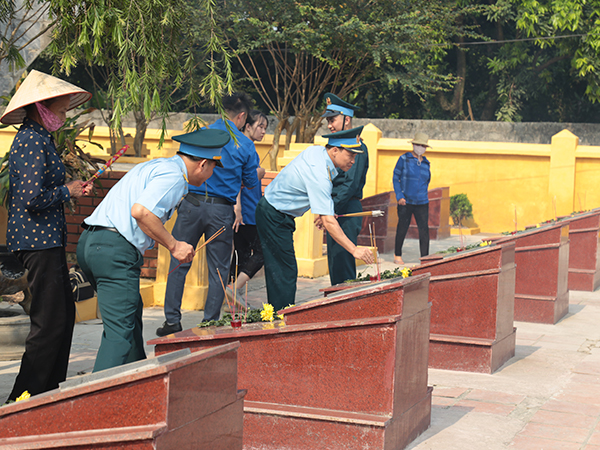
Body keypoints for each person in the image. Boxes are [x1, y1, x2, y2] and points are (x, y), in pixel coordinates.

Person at [77, 128, 230, 372]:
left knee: (130, 317)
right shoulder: (175, 177)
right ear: (202, 164)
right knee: (120, 333)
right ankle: (93, 401)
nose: (210, 176)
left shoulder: (157, 165)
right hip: (115, 250)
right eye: (212, 169)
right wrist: (174, 245)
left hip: (91, 242)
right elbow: (141, 212)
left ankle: (138, 382)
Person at [1, 70, 92, 402]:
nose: (64, 115)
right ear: (42, 107)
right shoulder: (30, 140)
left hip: (46, 240)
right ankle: (22, 399)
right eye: (62, 109)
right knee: (49, 323)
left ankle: (47, 396)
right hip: (36, 242)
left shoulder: (41, 139)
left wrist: (69, 189)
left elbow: (43, 191)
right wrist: (66, 190)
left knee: (63, 318)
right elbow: (30, 198)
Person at [157, 93, 259, 336]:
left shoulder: (201, 135)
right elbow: (252, 182)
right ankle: (210, 322)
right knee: (218, 269)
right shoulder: (244, 144)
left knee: (178, 262)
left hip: (191, 205)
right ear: (242, 116)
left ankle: (172, 320)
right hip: (221, 211)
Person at [256, 127, 375, 312]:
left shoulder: (317, 152)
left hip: (277, 213)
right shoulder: (320, 173)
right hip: (273, 215)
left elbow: (311, 190)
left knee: (284, 269)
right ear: (335, 150)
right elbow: (328, 221)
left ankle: (281, 314)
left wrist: (323, 211)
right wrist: (354, 250)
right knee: (284, 271)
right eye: (350, 154)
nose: (353, 160)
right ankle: (281, 318)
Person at [321, 93, 369, 285]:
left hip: (346, 209)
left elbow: (349, 185)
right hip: (337, 208)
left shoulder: (357, 147)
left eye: (333, 120)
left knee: (343, 262)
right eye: (328, 121)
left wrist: (328, 210)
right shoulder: (338, 147)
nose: (329, 125)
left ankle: (347, 307)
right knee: (335, 262)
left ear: (347, 119)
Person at [227, 110, 268, 304]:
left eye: (265, 128)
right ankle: (233, 290)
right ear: (247, 126)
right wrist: (237, 209)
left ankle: (232, 301)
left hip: (250, 209)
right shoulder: (243, 147)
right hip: (245, 212)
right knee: (262, 251)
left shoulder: (250, 148)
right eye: (260, 126)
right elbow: (237, 180)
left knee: (241, 256)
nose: (263, 132)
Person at [393, 132, 432, 265]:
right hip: (405, 201)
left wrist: (423, 193)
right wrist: (399, 195)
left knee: (424, 230)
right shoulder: (404, 159)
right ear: (413, 144)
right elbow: (395, 177)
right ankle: (397, 254)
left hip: (422, 202)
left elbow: (427, 181)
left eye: (423, 145)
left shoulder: (426, 163)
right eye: (418, 144)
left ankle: (425, 258)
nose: (420, 147)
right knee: (402, 227)